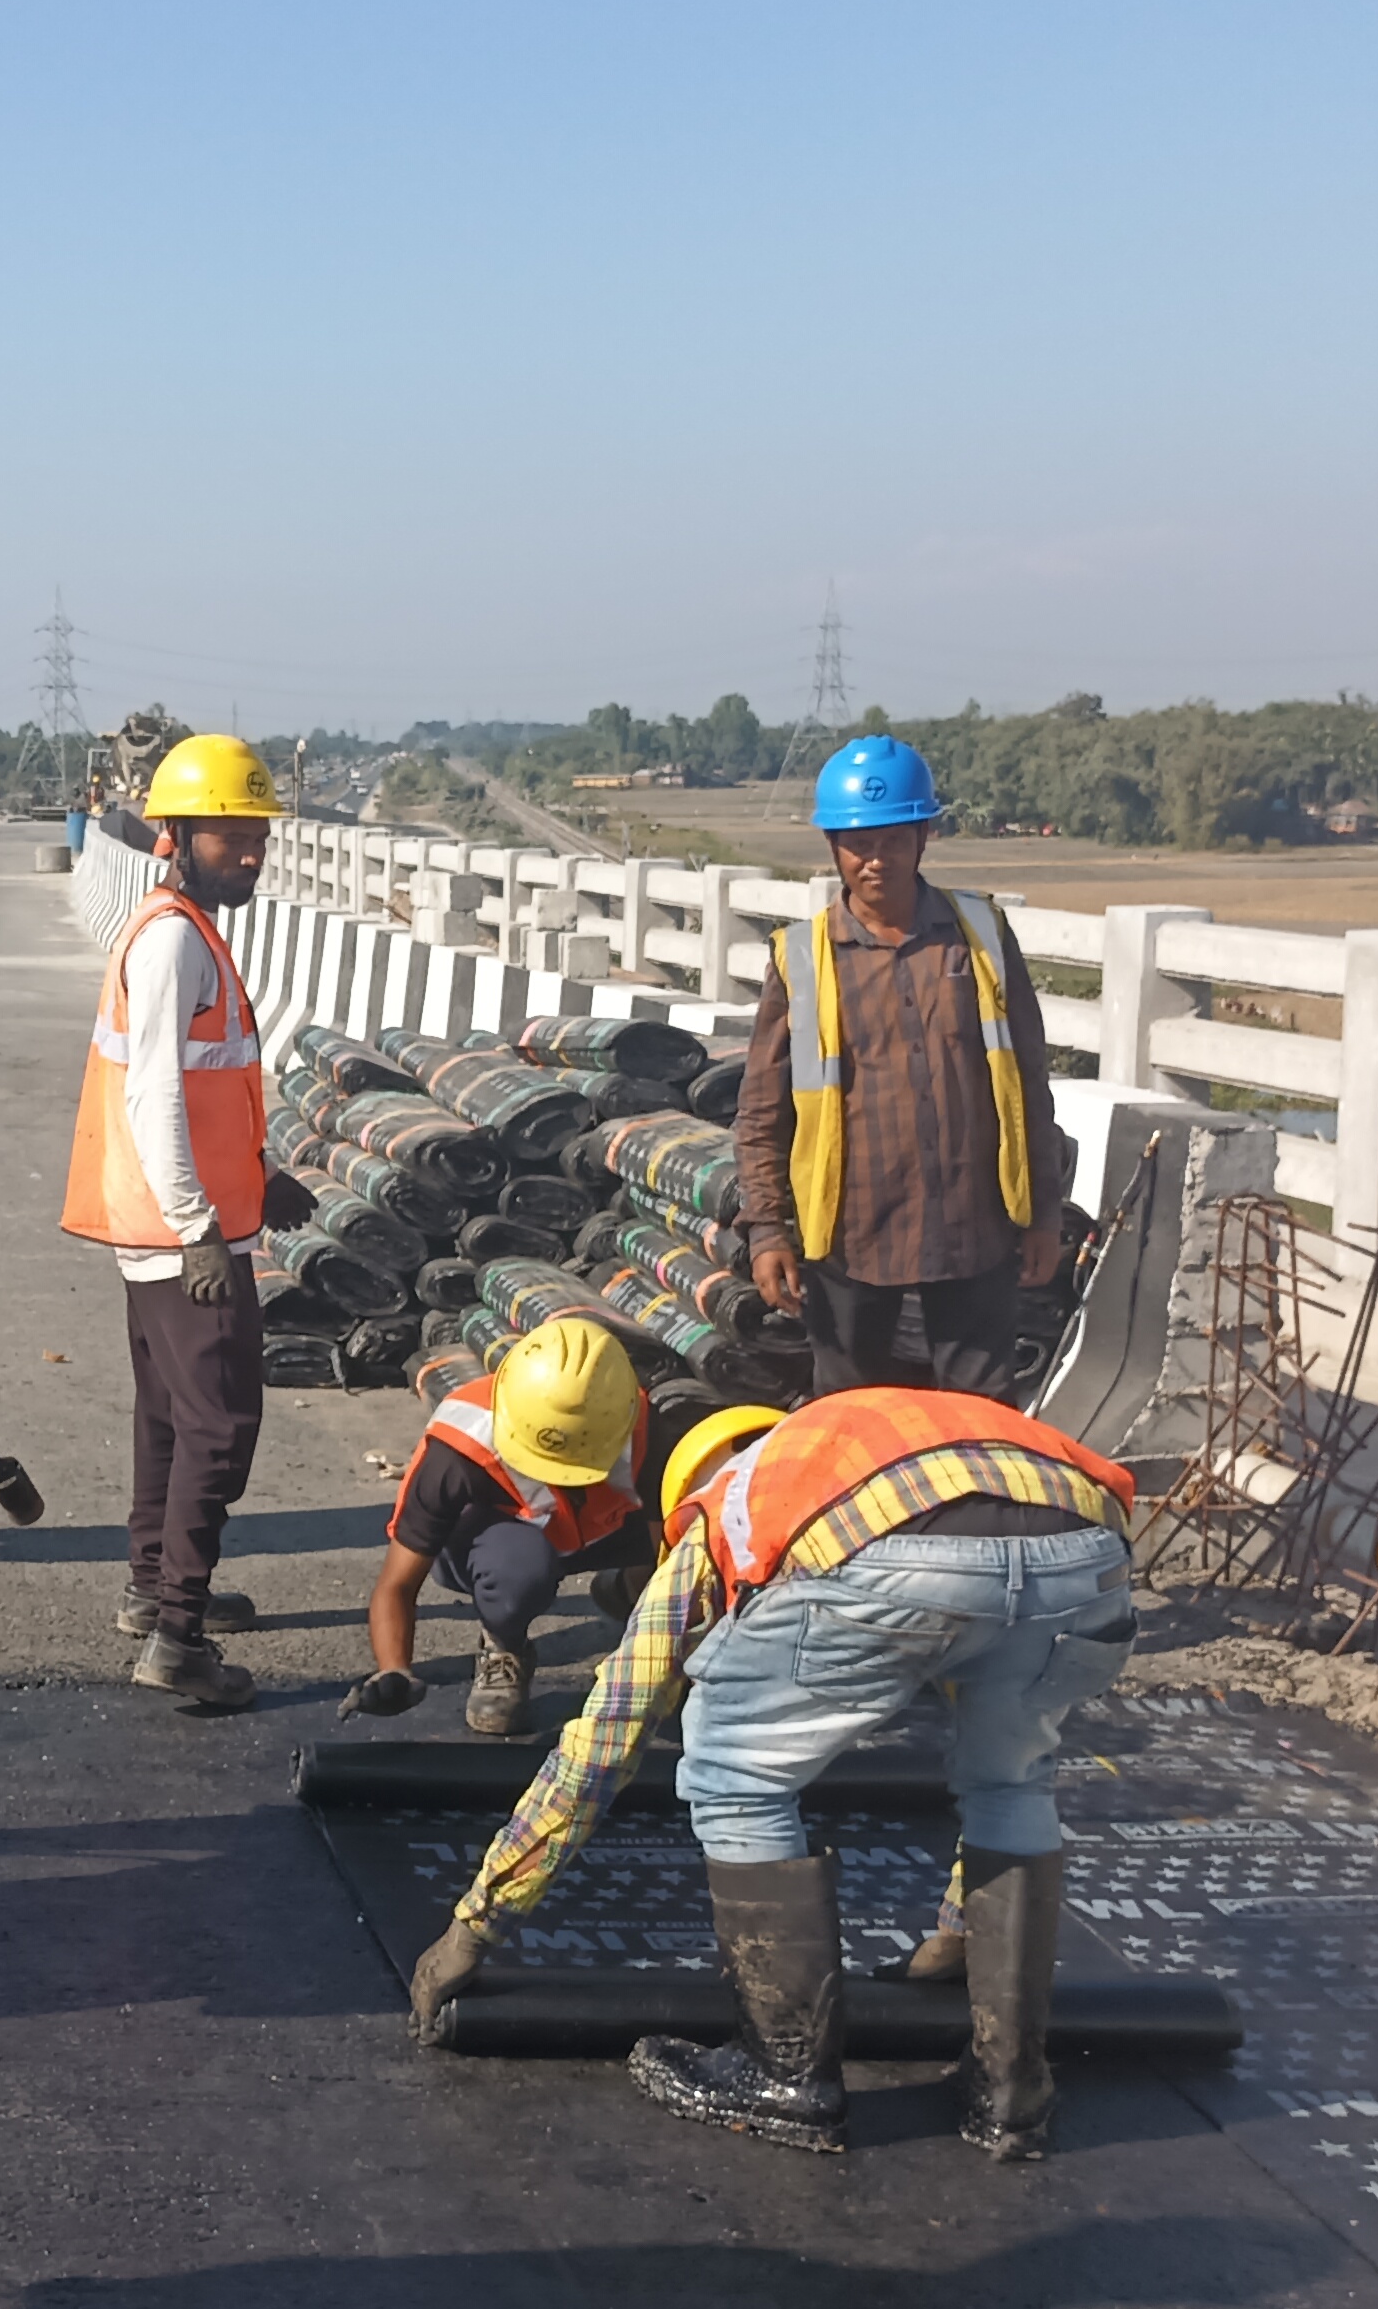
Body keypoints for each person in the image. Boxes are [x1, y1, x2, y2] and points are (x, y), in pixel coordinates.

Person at [404, 1384, 1137, 2163]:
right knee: (1011, 1780)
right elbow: (994, 1581)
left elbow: (608, 1733)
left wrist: (477, 1922)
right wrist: (957, 1938)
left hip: (893, 1550)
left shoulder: (728, 1502)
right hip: (1084, 1546)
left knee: (735, 1776)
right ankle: (1011, 2091)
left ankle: (785, 2077)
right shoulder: (864, 1432)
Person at [61, 732, 315, 1709]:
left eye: (256, 835)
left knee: (168, 1416)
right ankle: (177, 1631)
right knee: (219, 1426)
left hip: (175, 1223)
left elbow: (205, 1094)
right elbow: (156, 1097)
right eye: (227, 836)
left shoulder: (185, 927)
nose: (248, 853)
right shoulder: (173, 938)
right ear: (171, 834)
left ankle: (150, 1584)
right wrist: (201, 1224)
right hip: (181, 1238)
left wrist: (258, 1175)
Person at [731, 736, 1073, 1399]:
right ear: (832, 847)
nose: (874, 860)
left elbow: (1028, 1084)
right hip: (852, 1242)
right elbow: (763, 1113)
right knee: (856, 1428)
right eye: (857, 844)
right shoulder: (802, 960)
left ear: (925, 835)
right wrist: (768, 1229)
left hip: (975, 1232)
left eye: (892, 840)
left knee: (978, 1426)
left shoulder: (982, 939)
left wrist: (1044, 1216)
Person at [342, 1318, 659, 1736]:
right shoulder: (457, 1450)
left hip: (595, 1527)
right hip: (500, 1546)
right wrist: (394, 1670)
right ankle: (504, 1643)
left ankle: (625, 1598)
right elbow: (396, 1585)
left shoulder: (630, 1416)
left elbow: (664, 1546)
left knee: (689, 1529)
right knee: (521, 1570)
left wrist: (656, 1639)